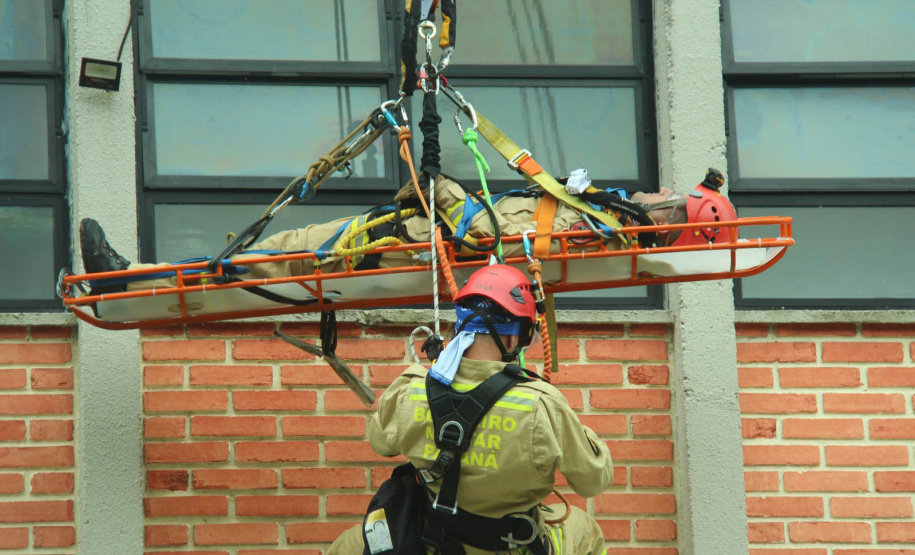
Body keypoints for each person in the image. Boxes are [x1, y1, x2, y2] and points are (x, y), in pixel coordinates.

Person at [326, 264, 613, 555]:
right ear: (514, 338)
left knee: (345, 546)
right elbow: (594, 480)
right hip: (509, 545)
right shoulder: (543, 404)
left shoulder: (412, 387)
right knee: (585, 528)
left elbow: (380, 442)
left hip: (431, 539)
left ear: (461, 327)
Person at [79, 170, 733, 292]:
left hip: (384, 248)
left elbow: (485, 240)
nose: (656, 189)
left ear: (675, 218)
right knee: (255, 259)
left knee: (255, 263)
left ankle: (123, 276)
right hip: (392, 235)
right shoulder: (601, 222)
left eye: (670, 195)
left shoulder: (595, 230)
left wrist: (438, 186)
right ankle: (128, 272)